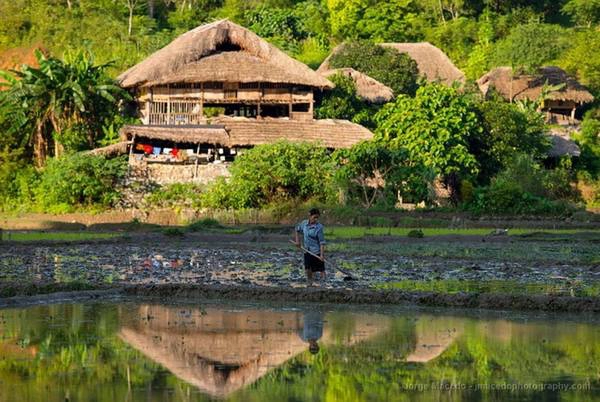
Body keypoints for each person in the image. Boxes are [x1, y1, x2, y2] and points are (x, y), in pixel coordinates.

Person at [295, 208, 326, 282]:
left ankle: (325, 283)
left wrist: (321, 255)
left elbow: (322, 242)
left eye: (317, 218)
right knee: (308, 269)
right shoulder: (304, 224)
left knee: (321, 269)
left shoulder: (319, 227)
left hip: (316, 251)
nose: (315, 219)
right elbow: (297, 229)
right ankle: (310, 282)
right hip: (307, 250)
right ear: (310, 216)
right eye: (314, 217)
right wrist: (297, 242)